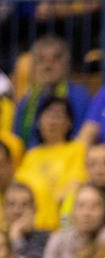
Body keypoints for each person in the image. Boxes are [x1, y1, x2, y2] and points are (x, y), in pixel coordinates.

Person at [14, 96, 86, 231]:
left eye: (58, 116)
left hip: (58, 226)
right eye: (47, 115)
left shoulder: (77, 149)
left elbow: (74, 185)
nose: (52, 121)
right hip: (26, 226)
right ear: (39, 121)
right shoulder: (31, 154)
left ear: (69, 122)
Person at [12, 36, 91, 147]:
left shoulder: (79, 96)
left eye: (55, 59)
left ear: (66, 64)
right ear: (34, 66)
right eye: (41, 60)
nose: (47, 66)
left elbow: (81, 137)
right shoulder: (26, 101)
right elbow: (16, 140)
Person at [4, 181, 50, 258]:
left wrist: (16, 238)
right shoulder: (2, 236)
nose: (17, 211)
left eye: (24, 205)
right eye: (11, 204)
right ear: (4, 208)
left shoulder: (46, 239)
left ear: (35, 209)